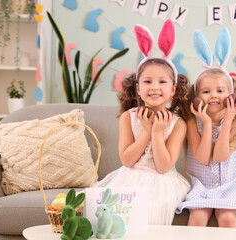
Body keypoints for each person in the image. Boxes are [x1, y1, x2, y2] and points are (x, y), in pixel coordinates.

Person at [94, 19, 190, 225]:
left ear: (173, 89)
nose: (154, 87)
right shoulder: (129, 117)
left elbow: (164, 167)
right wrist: (146, 131)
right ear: (138, 88)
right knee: (108, 216)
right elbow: (127, 161)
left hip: (162, 181)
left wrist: (157, 133)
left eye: (162, 81)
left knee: (152, 211)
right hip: (130, 177)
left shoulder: (178, 123)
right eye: (147, 81)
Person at [176, 28, 236, 228]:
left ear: (231, 94)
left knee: (227, 218)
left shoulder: (235, 121)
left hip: (229, 185)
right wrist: (206, 123)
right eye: (206, 91)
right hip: (201, 185)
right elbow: (203, 158)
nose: (213, 95)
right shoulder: (192, 122)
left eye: (220, 90)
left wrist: (229, 119)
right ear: (196, 96)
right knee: (197, 218)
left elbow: (220, 156)